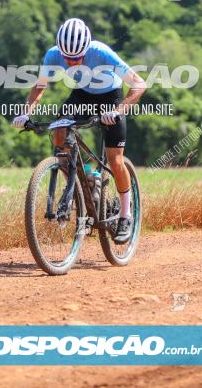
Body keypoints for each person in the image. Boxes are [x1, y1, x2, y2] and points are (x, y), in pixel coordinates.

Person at [12, 18, 147, 243]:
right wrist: (26, 114)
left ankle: (125, 213)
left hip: (110, 96)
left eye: (77, 58)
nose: (72, 62)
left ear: (86, 47)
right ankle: (84, 178)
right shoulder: (52, 55)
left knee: (115, 160)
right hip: (82, 95)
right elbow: (40, 86)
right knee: (58, 131)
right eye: (67, 58)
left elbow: (139, 84)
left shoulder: (102, 53)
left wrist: (117, 111)